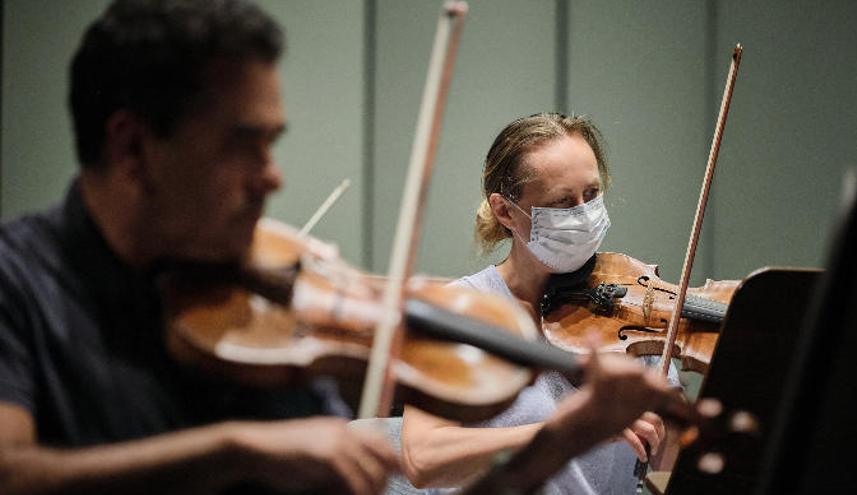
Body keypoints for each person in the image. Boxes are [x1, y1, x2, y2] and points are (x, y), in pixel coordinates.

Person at [0, 2, 682, 493]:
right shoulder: (18, 281)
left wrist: (564, 435)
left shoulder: (269, 316)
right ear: (131, 147)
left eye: (274, 142)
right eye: (244, 144)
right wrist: (236, 450)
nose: (273, 175)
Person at [401, 113, 680, 494]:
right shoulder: (462, 313)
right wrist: (569, 431)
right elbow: (423, 461)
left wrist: (676, 426)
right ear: (504, 211)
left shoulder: (631, 309)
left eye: (593, 194)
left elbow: (672, 464)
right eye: (562, 203)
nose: (584, 213)